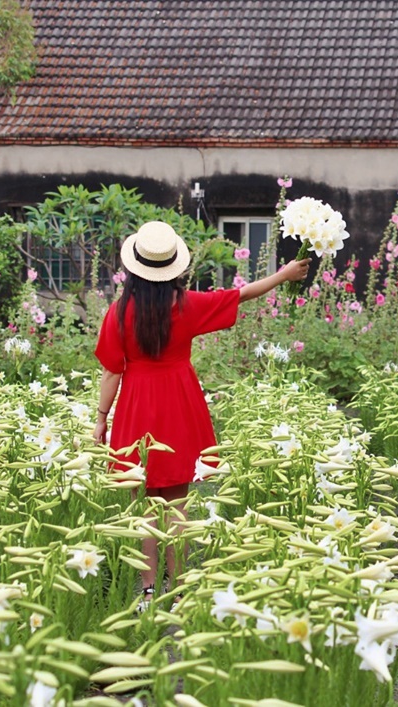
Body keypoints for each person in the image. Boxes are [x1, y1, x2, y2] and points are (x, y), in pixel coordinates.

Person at [92, 220, 309, 600]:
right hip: (179, 402)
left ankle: (147, 591)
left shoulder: (118, 311)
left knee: (143, 504)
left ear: (133, 269)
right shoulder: (186, 305)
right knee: (177, 504)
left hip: (136, 405)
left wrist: (101, 418)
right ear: (173, 265)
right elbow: (240, 295)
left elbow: (112, 370)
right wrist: (284, 274)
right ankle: (178, 590)